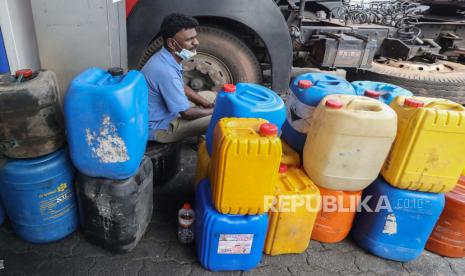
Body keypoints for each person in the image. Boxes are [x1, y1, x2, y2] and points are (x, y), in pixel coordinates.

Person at [141, 13, 216, 143]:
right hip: (160, 128)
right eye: (189, 40)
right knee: (222, 116)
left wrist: (205, 103)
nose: (196, 42)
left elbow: (182, 87)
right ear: (172, 43)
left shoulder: (166, 58)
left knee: (211, 96)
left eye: (195, 37)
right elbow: (186, 113)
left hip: (168, 114)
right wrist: (215, 110)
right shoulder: (165, 71)